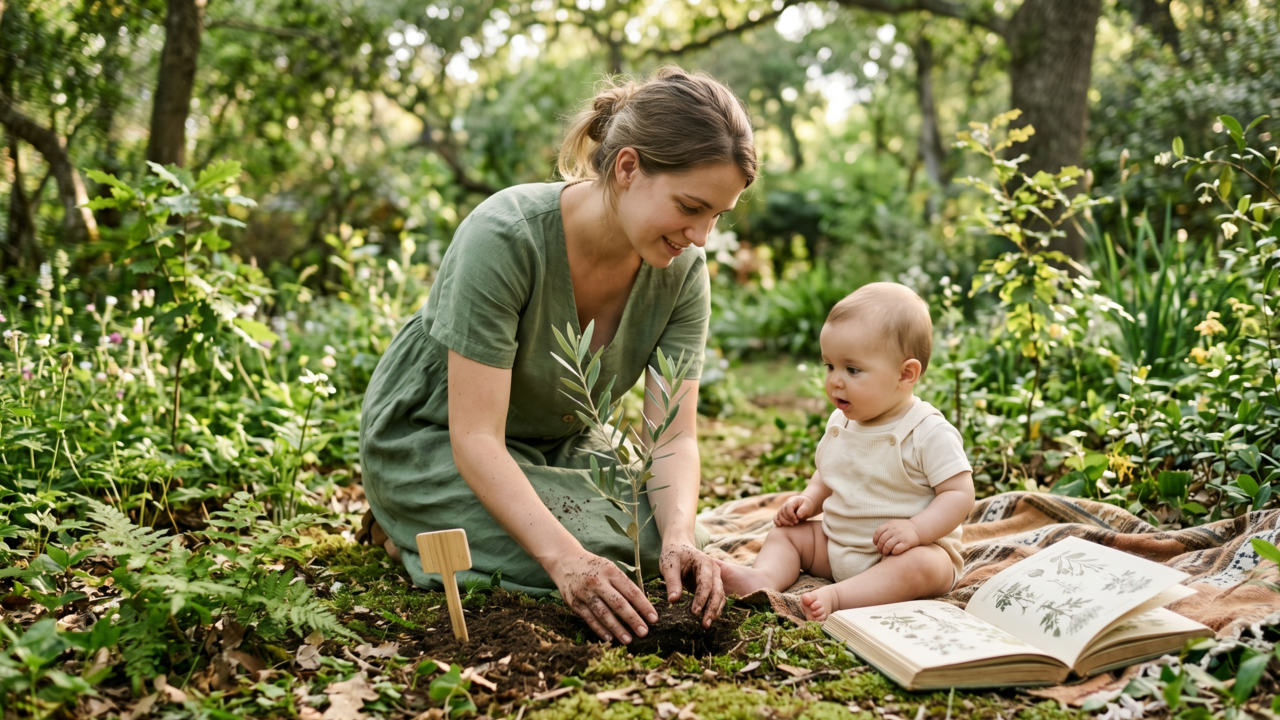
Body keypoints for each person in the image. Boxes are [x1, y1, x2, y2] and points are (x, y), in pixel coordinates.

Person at [358, 67, 757, 645]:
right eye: (690, 207)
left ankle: (460, 531)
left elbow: (671, 437)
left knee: (652, 557)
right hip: (437, 439)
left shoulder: (684, 273)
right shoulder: (505, 235)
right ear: (628, 167)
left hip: (560, 444)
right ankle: (405, 521)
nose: (700, 236)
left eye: (716, 217)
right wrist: (567, 563)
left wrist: (679, 538)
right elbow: (475, 438)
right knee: (584, 557)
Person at [717, 283, 976, 621]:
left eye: (852, 370)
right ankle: (764, 578)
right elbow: (829, 471)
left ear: (905, 374)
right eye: (829, 366)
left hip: (902, 554)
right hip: (838, 544)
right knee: (788, 534)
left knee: (925, 565)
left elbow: (959, 494)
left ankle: (839, 596)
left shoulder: (926, 430)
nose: (835, 381)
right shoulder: (842, 421)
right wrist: (810, 500)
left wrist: (916, 530)